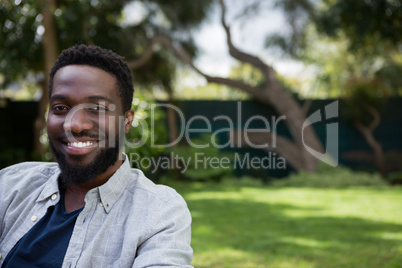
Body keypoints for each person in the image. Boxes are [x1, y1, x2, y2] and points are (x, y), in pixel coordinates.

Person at [0, 44, 193, 267]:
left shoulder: (158, 212)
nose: (76, 125)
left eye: (97, 108)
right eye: (61, 108)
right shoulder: (11, 185)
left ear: (127, 121)